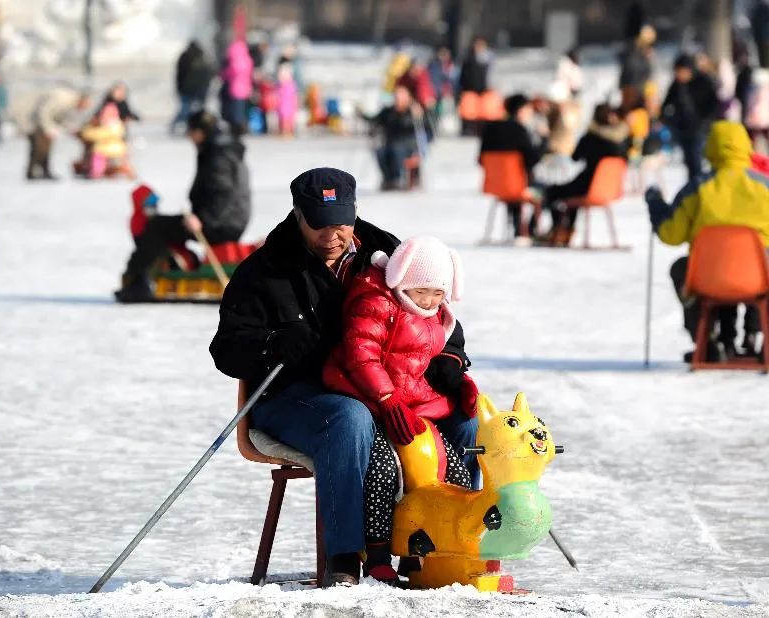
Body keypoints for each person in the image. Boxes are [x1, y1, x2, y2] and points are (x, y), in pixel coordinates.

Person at [209, 168, 478, 587]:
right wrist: (274, 344)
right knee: (350, 419)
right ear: (298, 215)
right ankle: (346, 557)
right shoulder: (264, 270)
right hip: (295, 397)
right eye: (319, 224)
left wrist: (451, 358)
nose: (333, 235)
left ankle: (452, 543)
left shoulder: (386, 252)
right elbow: (225, 350)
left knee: (464, 417)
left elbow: (434, 310)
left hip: (383, 389)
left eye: (342, 222)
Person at [322, 236, 477, 584]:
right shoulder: (375, 301)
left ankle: (426, 548)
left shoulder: (437, 314)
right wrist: (386, 398)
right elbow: (360, 354)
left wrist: (458, 382)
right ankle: (376, 554)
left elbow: (439, 354)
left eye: (439, 295)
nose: (430, 301)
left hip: (409, 404)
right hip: (365, 396)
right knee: (382, 469)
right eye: (423, 292)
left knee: (449, 470)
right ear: (403, 280)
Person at [645, 121, 769, 365]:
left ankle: (707, 342)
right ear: (746, 147)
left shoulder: (697, 188)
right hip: (762, 276)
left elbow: (669, 234)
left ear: (710, 149)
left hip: (708, 277)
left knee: (680, 269)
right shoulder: (768, 187)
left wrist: (656, 205)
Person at [115, 110, 251, 302]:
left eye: (191, 131)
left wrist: (204, 220)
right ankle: (172, 265)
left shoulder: (217, 157)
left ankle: (139, 283)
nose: (189, 136)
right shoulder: (221, 150)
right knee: (168, 225)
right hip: (230, 219)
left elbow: (223, 193)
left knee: (157, 226)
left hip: (221, 223)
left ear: (201, 131)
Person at [543, 103, 629, 245]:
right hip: (610, 190)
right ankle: (566, 232)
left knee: (554, 192)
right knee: (572, 195)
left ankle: (560, 230)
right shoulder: (621, 141)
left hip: (588, 185)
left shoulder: (590, 137)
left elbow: (575, 157)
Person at [478, 93, 545, 244]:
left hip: (495, 185)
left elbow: (481, 159)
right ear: (520, 109)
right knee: (544, 190)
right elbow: (533, 160)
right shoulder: (520, 130)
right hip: (518, 187)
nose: (530, 113)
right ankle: (529, 230)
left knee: (515, 185)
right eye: (528, 109)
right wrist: (544, 140)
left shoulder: (490, 129)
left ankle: (517, 228)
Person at [661, 53, 719, 180]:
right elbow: (666, 105)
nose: (679, 75)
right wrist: (669, 120)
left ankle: (699, 187)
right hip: (683, 129)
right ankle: (692, 188)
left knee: (697, 160)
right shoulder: (677, 85)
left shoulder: (704, 81)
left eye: (682, 71)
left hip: (700, 130)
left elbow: (714, 106)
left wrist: (704, 122)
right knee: (689, 162)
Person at [25, 87, 92, 181]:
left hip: (47, 125)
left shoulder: (70, 104)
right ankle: (31, 173)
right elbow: (43, 111)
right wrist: (47, 128)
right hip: (37, 123)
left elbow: (61, 118)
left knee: (47, 148)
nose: (83, 109)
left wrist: (69, 128)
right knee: (38, 149)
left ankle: (45, 171)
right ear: (82, 100)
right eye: (85, 106)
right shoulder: (62, 98)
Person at [365, 85, 420, 190]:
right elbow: (375, 120)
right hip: (390, 144)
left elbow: (423, 127)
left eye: (401, 96)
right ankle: (388, 179)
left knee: (397, 150)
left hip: (409, 146)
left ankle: (398, 178)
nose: (398, 99)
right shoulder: (388, 111)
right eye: (396, 96)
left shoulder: (413, 111)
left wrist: (417, 116)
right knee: (380, 151)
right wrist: (364, 116)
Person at [171, 41, 214, 134]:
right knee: (198, 111)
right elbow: (209, 74)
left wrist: (179, 88)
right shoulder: (203, 57)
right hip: (200, 90)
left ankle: (179, 127)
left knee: (185, 110)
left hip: (187, 89)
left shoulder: (185, 56)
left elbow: (180, 74)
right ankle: (195, 129)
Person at [458, 37, 493, 135]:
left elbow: (489, 75)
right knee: (468, 111)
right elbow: (464, 75)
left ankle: (481, 129)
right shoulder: (468, 59)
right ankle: (467, 129)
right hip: (469, 89)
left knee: (483, 112)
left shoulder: (488, 60)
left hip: (483, 90)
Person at [220, 39, 254, 135]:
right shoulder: (248, 60)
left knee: (235, 112)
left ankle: (236, 130)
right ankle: (241, 128)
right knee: (241, 111)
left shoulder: (233, 62)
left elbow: (226, 75)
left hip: (234, 89)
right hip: (245, 90)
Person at [750, 0, 769, 68]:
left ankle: (766, 63)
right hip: (758, 30)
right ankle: (763, 64)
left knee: (765, 47)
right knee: (759, 47)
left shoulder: (767, 7)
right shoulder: (756, 7)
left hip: (764, 31)